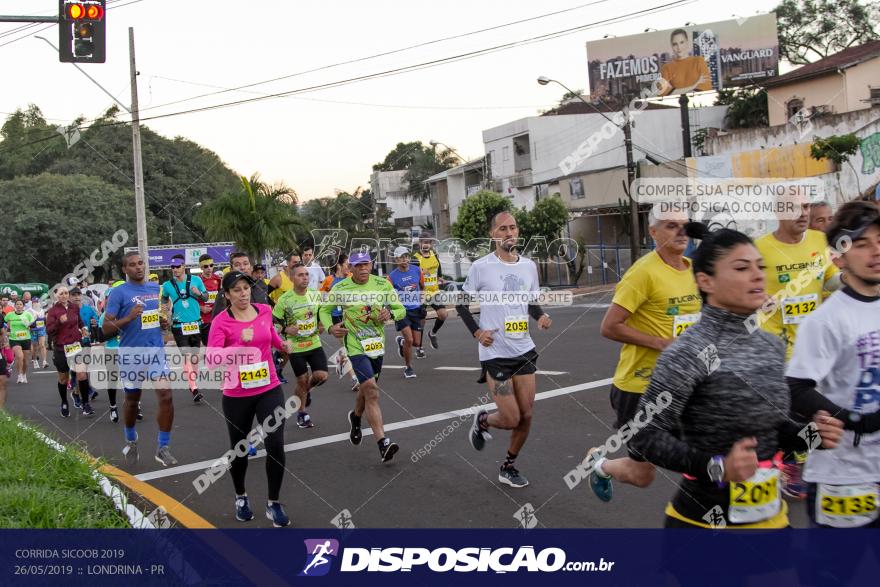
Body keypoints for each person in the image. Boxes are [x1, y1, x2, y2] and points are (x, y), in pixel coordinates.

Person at [627, 223, 843, 529]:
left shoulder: (770, 345)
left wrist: (814, 436)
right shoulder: (688, 352)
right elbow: (645, 436)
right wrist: (717, 467)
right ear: (706, 281)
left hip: (772, 521)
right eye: (742, 268)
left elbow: (773, 427)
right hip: (702, 525)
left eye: (760, 267)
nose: (758, 276)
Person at [588, 211, 699, 501]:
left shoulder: (694, 271)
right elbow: (609, 326)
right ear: (653, 232)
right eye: (671, 226)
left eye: (684, 226)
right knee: (642, 475)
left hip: (684, 384)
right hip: (640, 388)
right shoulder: (643, 272)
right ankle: (599, 465)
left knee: (707, 447)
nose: (680, 232)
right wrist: (661, 343)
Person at [786, 201, 880, 530]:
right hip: (843, 479)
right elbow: (796, 388)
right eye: (862, 243)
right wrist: (856, 421)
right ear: (839, 257)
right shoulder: (826, 320)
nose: (876, 251)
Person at [755, 197, 841, 498]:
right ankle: (790, 464)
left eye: (806, 207)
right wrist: (755, 298)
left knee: (819, 411)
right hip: (778, 347)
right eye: (794, 208)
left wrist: (854, 279)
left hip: (817, 344)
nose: (803, 214)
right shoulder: (760, 248)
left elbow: (830, 281)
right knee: (795, 411)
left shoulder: (819, 239)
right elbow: (743, 284)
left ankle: (794, 458)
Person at [459, 211, 552, 488]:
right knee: (511, 417)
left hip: (524, 350)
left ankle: (508, 466)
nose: (509, 233)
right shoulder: (481, 267)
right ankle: (484, 420)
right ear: (493, 234)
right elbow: (462, 304)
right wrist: (477, 332)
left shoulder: (529, 267)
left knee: (527, 415)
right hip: (495, 353)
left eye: (512, 227)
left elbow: (530, 302)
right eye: (502, 229)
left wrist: (541, 316)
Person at [206, 270, 295, 527]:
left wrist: (282, 345)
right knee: (240, 448)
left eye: (245, 288)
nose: (243, 293)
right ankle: (241, 496)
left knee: (276, 443)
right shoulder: (221, 322)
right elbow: (211, 361)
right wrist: (238, 346)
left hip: (268, 387)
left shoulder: (264, 311)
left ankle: (273, 503)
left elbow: (269, 335)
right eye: (237, 290)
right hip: (237, 393)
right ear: (227, 295)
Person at [318, 251, 406, 463]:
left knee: (368, 389)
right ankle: (383, 443)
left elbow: (400, 309)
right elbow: (324, 310)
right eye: (358, 266)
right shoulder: (341, 288)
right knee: (372, 391)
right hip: (355, 345)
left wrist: (390, 314)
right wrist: (331, 328)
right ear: (350, 268)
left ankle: (355, 417)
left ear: (371, 264)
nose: (363, 269)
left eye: (366, 264)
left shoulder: (382, 284)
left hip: (376, 345)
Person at [103, 252, 177, 467]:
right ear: (125, 269)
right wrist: (129, 317)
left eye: (141, 263)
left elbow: (155, 319)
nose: (138, 267)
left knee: (166, 395)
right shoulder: (118, 293)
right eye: (133, 265)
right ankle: (131, 438)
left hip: (156, 351)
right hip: (131, 354)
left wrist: (162, 325)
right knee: (133, 401)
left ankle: (163, 447)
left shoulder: (155, 289)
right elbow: (106, 328)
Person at [273, 263, 328, 428]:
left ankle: (306, 391)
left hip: (314, 343)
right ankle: (302, 413)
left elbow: (322, 313)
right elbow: (275, 323)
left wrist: (322, 324)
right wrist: (286, 329)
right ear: (291, 278)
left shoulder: (315, 295)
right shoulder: (284, 300)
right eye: (300, 275)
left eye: (306, 274)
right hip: (296, 346)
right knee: (302, 380)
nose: (305, 277)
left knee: (321, 376)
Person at [161, 254, 208, 403]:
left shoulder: (196, 280)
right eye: (172, 267)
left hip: (195, 323)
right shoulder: (168, 285)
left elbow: (206, 297)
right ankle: (194, 388)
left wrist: (199, 293)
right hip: (178, 325)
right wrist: (165, 305)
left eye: (178, 266)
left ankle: (192, 381)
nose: (175, 269)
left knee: (194, 357)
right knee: (187, 355)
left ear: (184, 266)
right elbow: (164, 298)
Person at [46, 287, 93, 418]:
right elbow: (49, 331)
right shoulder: (53, 311)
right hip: (61, 348)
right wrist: (58, 322)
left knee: (82, 374)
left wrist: (83, 328)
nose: (64, 295)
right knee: (63, 379)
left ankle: (86, 404)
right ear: (56, 296)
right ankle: (64, 402)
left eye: (66, 293)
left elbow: (79, 321)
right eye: (61, 293)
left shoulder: (74, 307)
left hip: (76, 346)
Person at [320, 253, 359, 392]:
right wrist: (328, 295)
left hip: (349, 316)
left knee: (353, 346)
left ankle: (340, 359)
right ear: (339, 265)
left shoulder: (351, 278)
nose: (349, 267)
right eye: (347, 264)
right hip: (336, 318)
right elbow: (319, 297)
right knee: (346, 347)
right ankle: (354, 379)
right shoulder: (329, 280)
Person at [388, 246, 425, 378]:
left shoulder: (416, 270)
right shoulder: (391, 277)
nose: (404, 259)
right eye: (401, 257)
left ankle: (402, 343)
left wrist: (422, 304)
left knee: (416, 343)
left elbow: (422, 287)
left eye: (406, 256)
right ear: (396, 260)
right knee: (409, 339)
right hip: (401, 311)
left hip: (416, 309)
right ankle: (408, 367)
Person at [413, 231, 447, 351]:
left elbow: (438, 268)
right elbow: (411, 276)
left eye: (429, 242)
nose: (427, 245)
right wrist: (421, 272)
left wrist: (440, 277)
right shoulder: (415, 258)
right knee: (422, 321)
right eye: (425, 242)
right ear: (420, 243)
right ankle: (419, 347)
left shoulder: (434, 254)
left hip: (434, 292)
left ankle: (432, 333)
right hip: (421, 293)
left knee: (443, 314)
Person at [659, 28, 712, 96]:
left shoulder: (699, 61)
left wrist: (673, 91)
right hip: (676, 104)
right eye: (675, 44)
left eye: (682, 42)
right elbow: (663, 93)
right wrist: (694, 86)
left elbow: (705, 89)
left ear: (687, 42)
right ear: (671, 46)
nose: (679, 47)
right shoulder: (666, 68)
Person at [5, 300, 34, 384]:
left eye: (20, 304)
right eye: (17, 304)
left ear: (23, 306)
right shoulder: (9, 315)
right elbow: (4, 324)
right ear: (15, 306)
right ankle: (19, 375)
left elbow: (33, 326)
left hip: (26, 339)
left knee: (25, 360)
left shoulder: (27, 315)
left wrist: (29, 326)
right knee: (19, 356)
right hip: (14, 339)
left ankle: (24, 375)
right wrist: (7, 331)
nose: (18, 306)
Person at [198, 254, 222, 346]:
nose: (209, 268)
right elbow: (190, 300)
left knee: (218, 344)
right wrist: (201, 307)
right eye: (206, 266)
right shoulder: (197, 281)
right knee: (208, 344)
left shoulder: (217, 279)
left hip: (216, 317)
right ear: (201, 268)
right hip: (203, 319)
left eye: (211, 265)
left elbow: (221, 297)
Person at [28, 299, 48, 369]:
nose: (36, 303)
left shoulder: (42, 310)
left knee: (42, 345)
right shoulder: (29, 311)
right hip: (33, 330)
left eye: (37, 302)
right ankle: (35, 360)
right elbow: (27, 320)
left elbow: (45, 319)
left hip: (41, 329)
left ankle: (44, 361)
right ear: (32, 303)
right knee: (35, 347)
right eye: (34, 302)